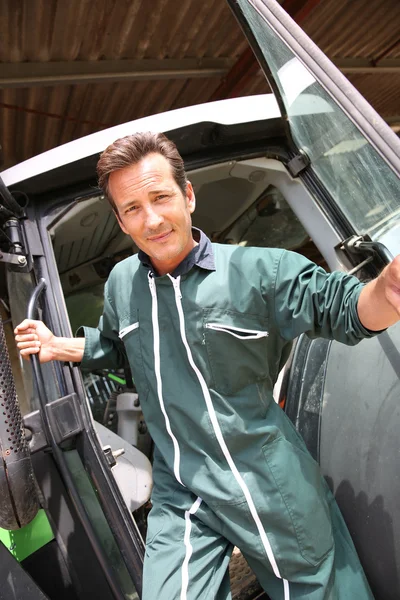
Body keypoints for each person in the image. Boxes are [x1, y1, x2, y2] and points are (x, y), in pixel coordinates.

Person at [15, 132, 400, 600]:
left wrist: (386, 293)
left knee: (322, 590)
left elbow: (343, 309)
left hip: (263, 475)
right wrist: (63, 346)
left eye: (160, 197)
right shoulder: (121, 285)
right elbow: (118, 348)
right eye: (132, 208)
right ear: (119, 220)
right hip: (181, 489)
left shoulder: (261, 271)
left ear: (188, 196)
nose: (152, 219)